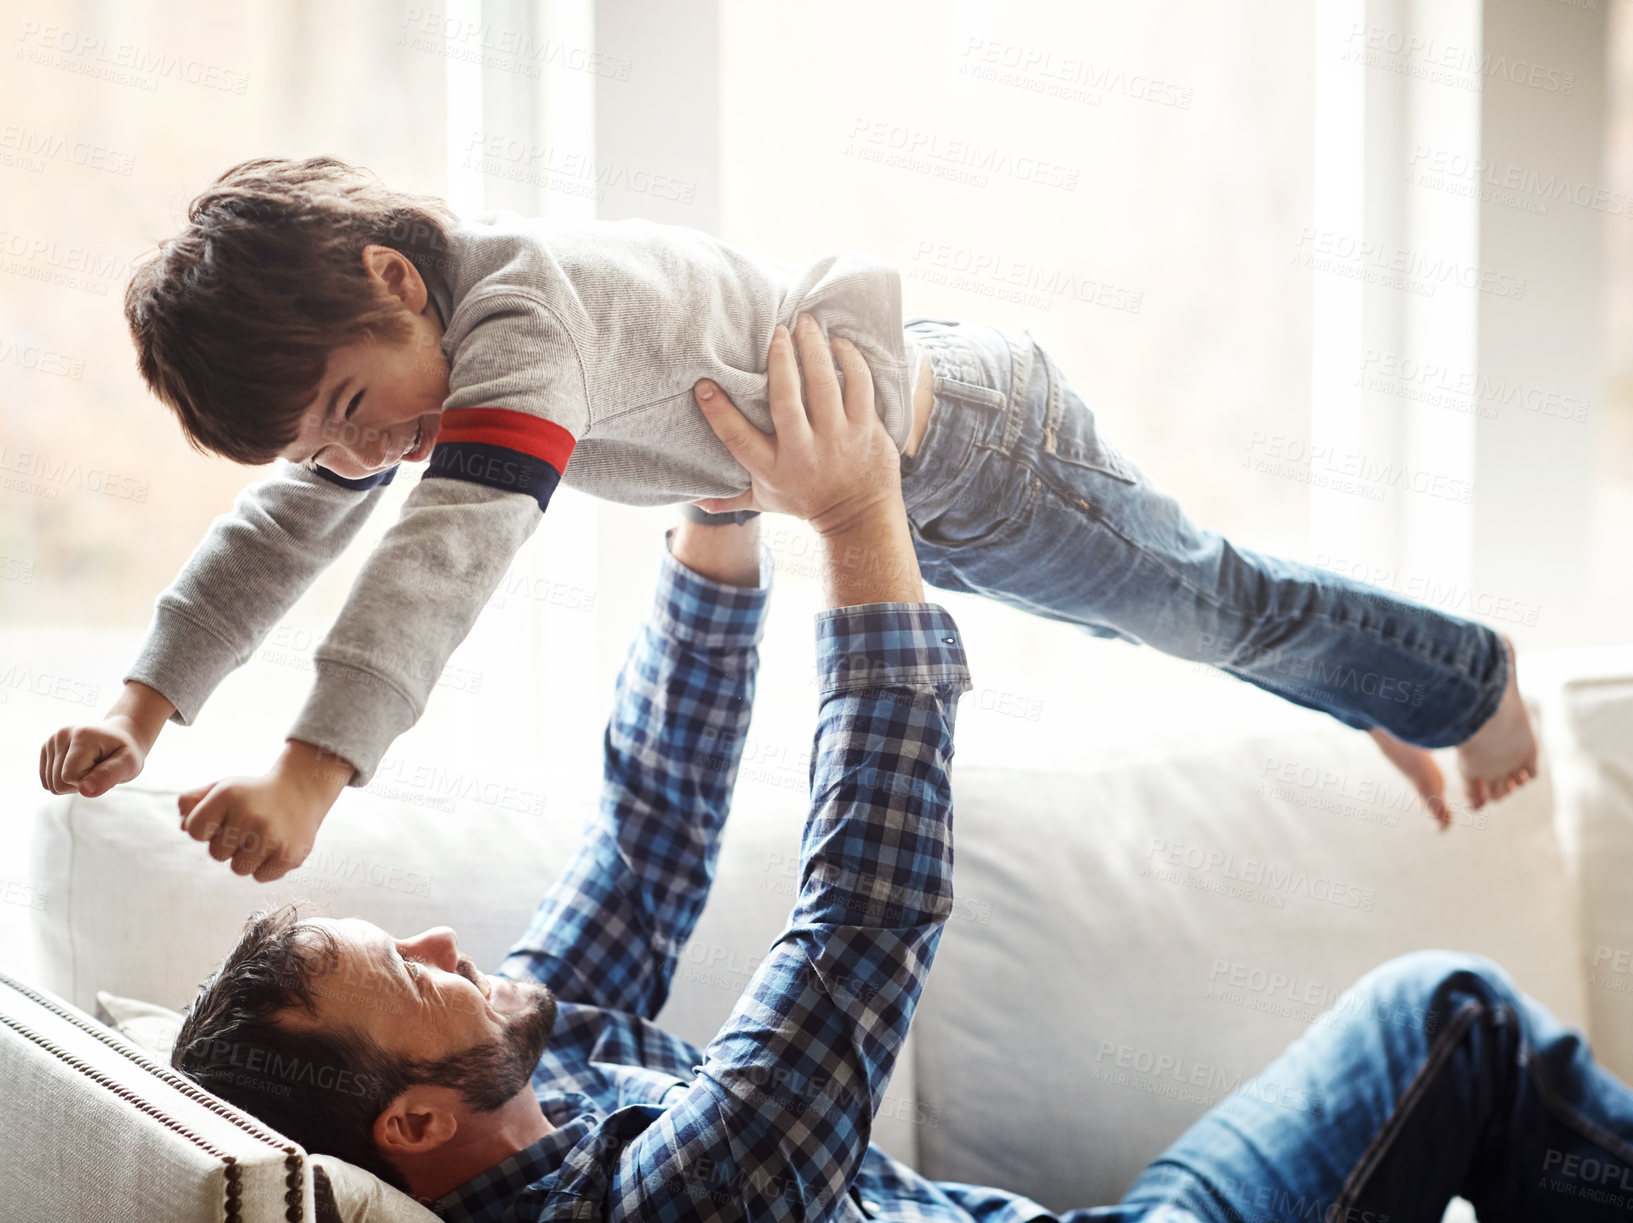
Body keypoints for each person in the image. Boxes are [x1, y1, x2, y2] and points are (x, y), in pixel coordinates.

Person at [172, 336, 1633, 1222]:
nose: (442, 946)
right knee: (1445, 1024)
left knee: (1457, 1045)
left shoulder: (526, 1065)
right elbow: (860, 924)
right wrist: (862, 524)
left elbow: (652, 831)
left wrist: (718, 515)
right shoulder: (660, 1208)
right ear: (413, 1128)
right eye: (408, 975)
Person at [38, 155, 1533, 878]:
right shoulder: (415, 362)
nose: (374, 456)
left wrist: (309, 777)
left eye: (359, 413)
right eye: (335, 446)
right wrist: (143, 706)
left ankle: (1456, 677)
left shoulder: (525, 320)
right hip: (900, 485)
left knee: (1205, 603)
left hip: (983, 459)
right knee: (1188, 617)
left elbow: (451, 551)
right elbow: (282, 529)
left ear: (391, 281)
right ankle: (1361, 683)